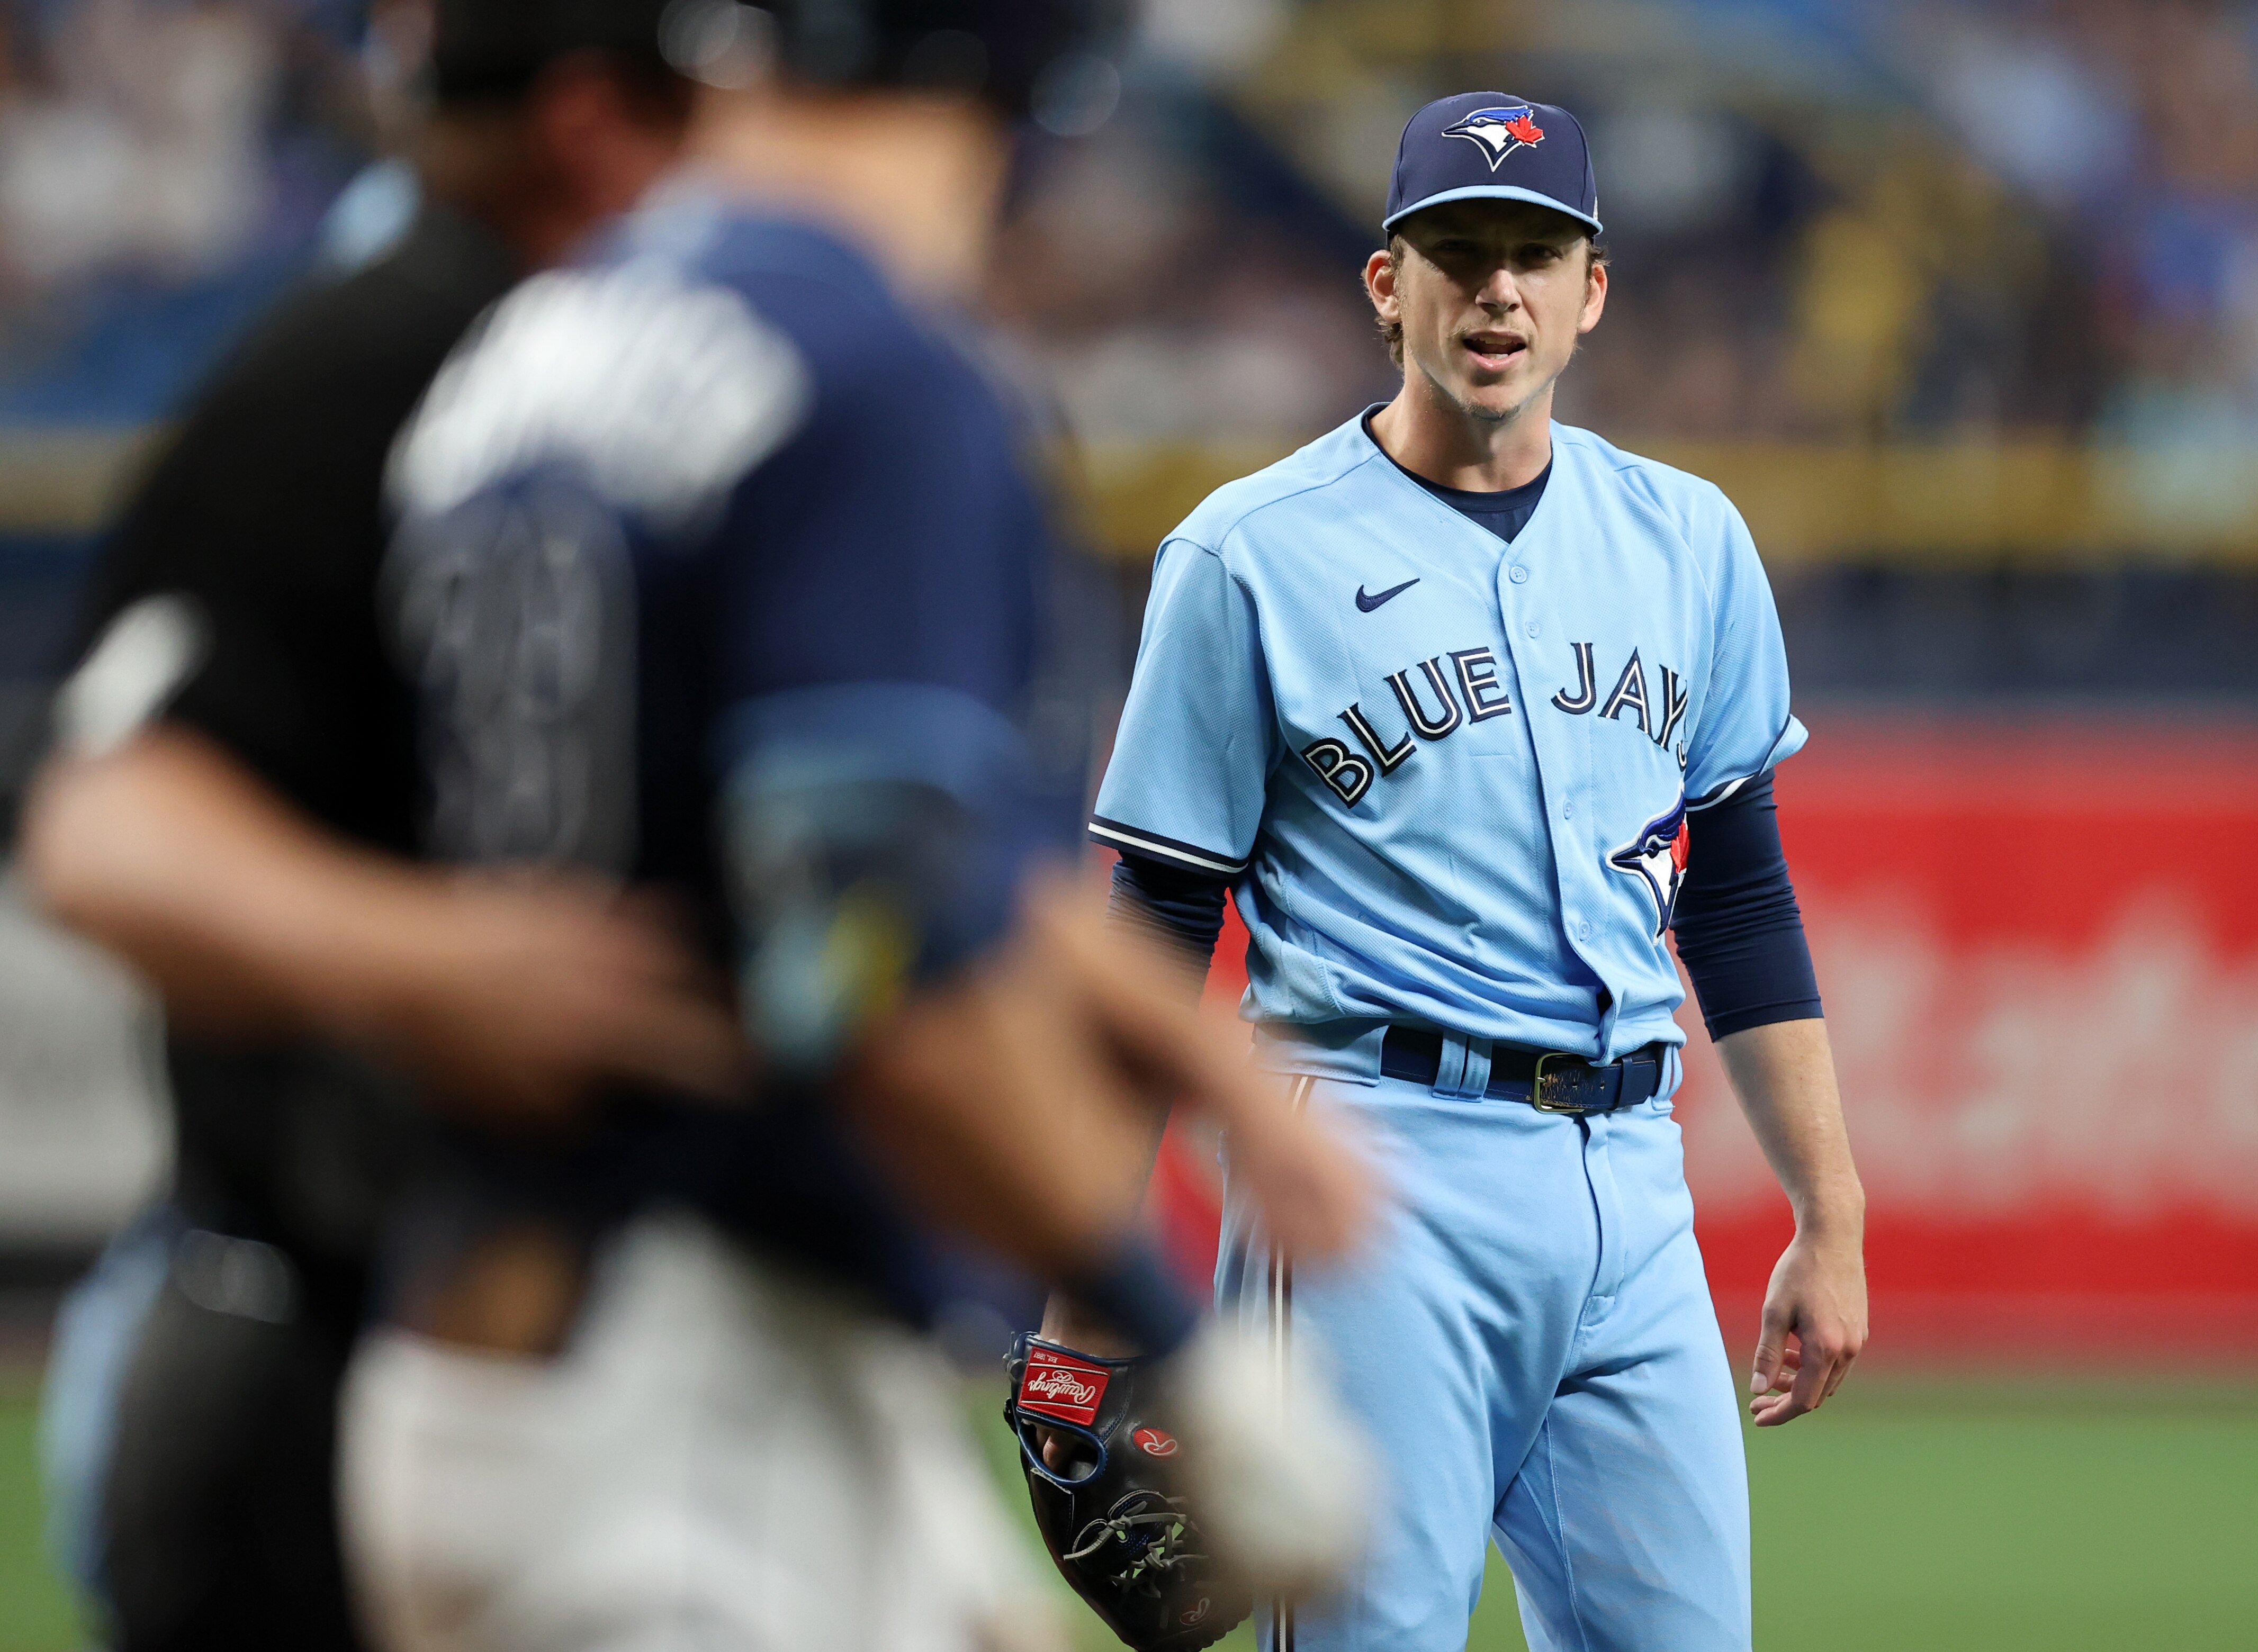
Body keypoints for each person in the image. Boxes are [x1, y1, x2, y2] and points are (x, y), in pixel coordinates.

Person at [334, 5, 1372, 1651]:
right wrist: (1184, 1350)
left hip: (499, 1333)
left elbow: (810, 837)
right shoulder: (878, 367)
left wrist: (1210, 1070)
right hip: (690, 1389)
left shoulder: (540, 337)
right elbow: (862, 966)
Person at [1070, 91, 1869, 1651]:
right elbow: (1156, 922)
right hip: (1373, 1173)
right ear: (1388, 286)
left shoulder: (1689, 540)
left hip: (1631, 1184)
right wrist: (1086, 1284)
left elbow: (1739, 897)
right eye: (1456, 254)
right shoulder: (1246, 555)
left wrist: (1825, 1212)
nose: (1495, 289)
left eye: (1530, 254)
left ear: (1590, 292)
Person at [23, 7, 697, 1647]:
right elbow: (104, 826)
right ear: (595, 123)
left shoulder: (627, 363)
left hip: (554, 1344)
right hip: (319, 1339)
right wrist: (438, 960)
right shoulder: (372, 356)